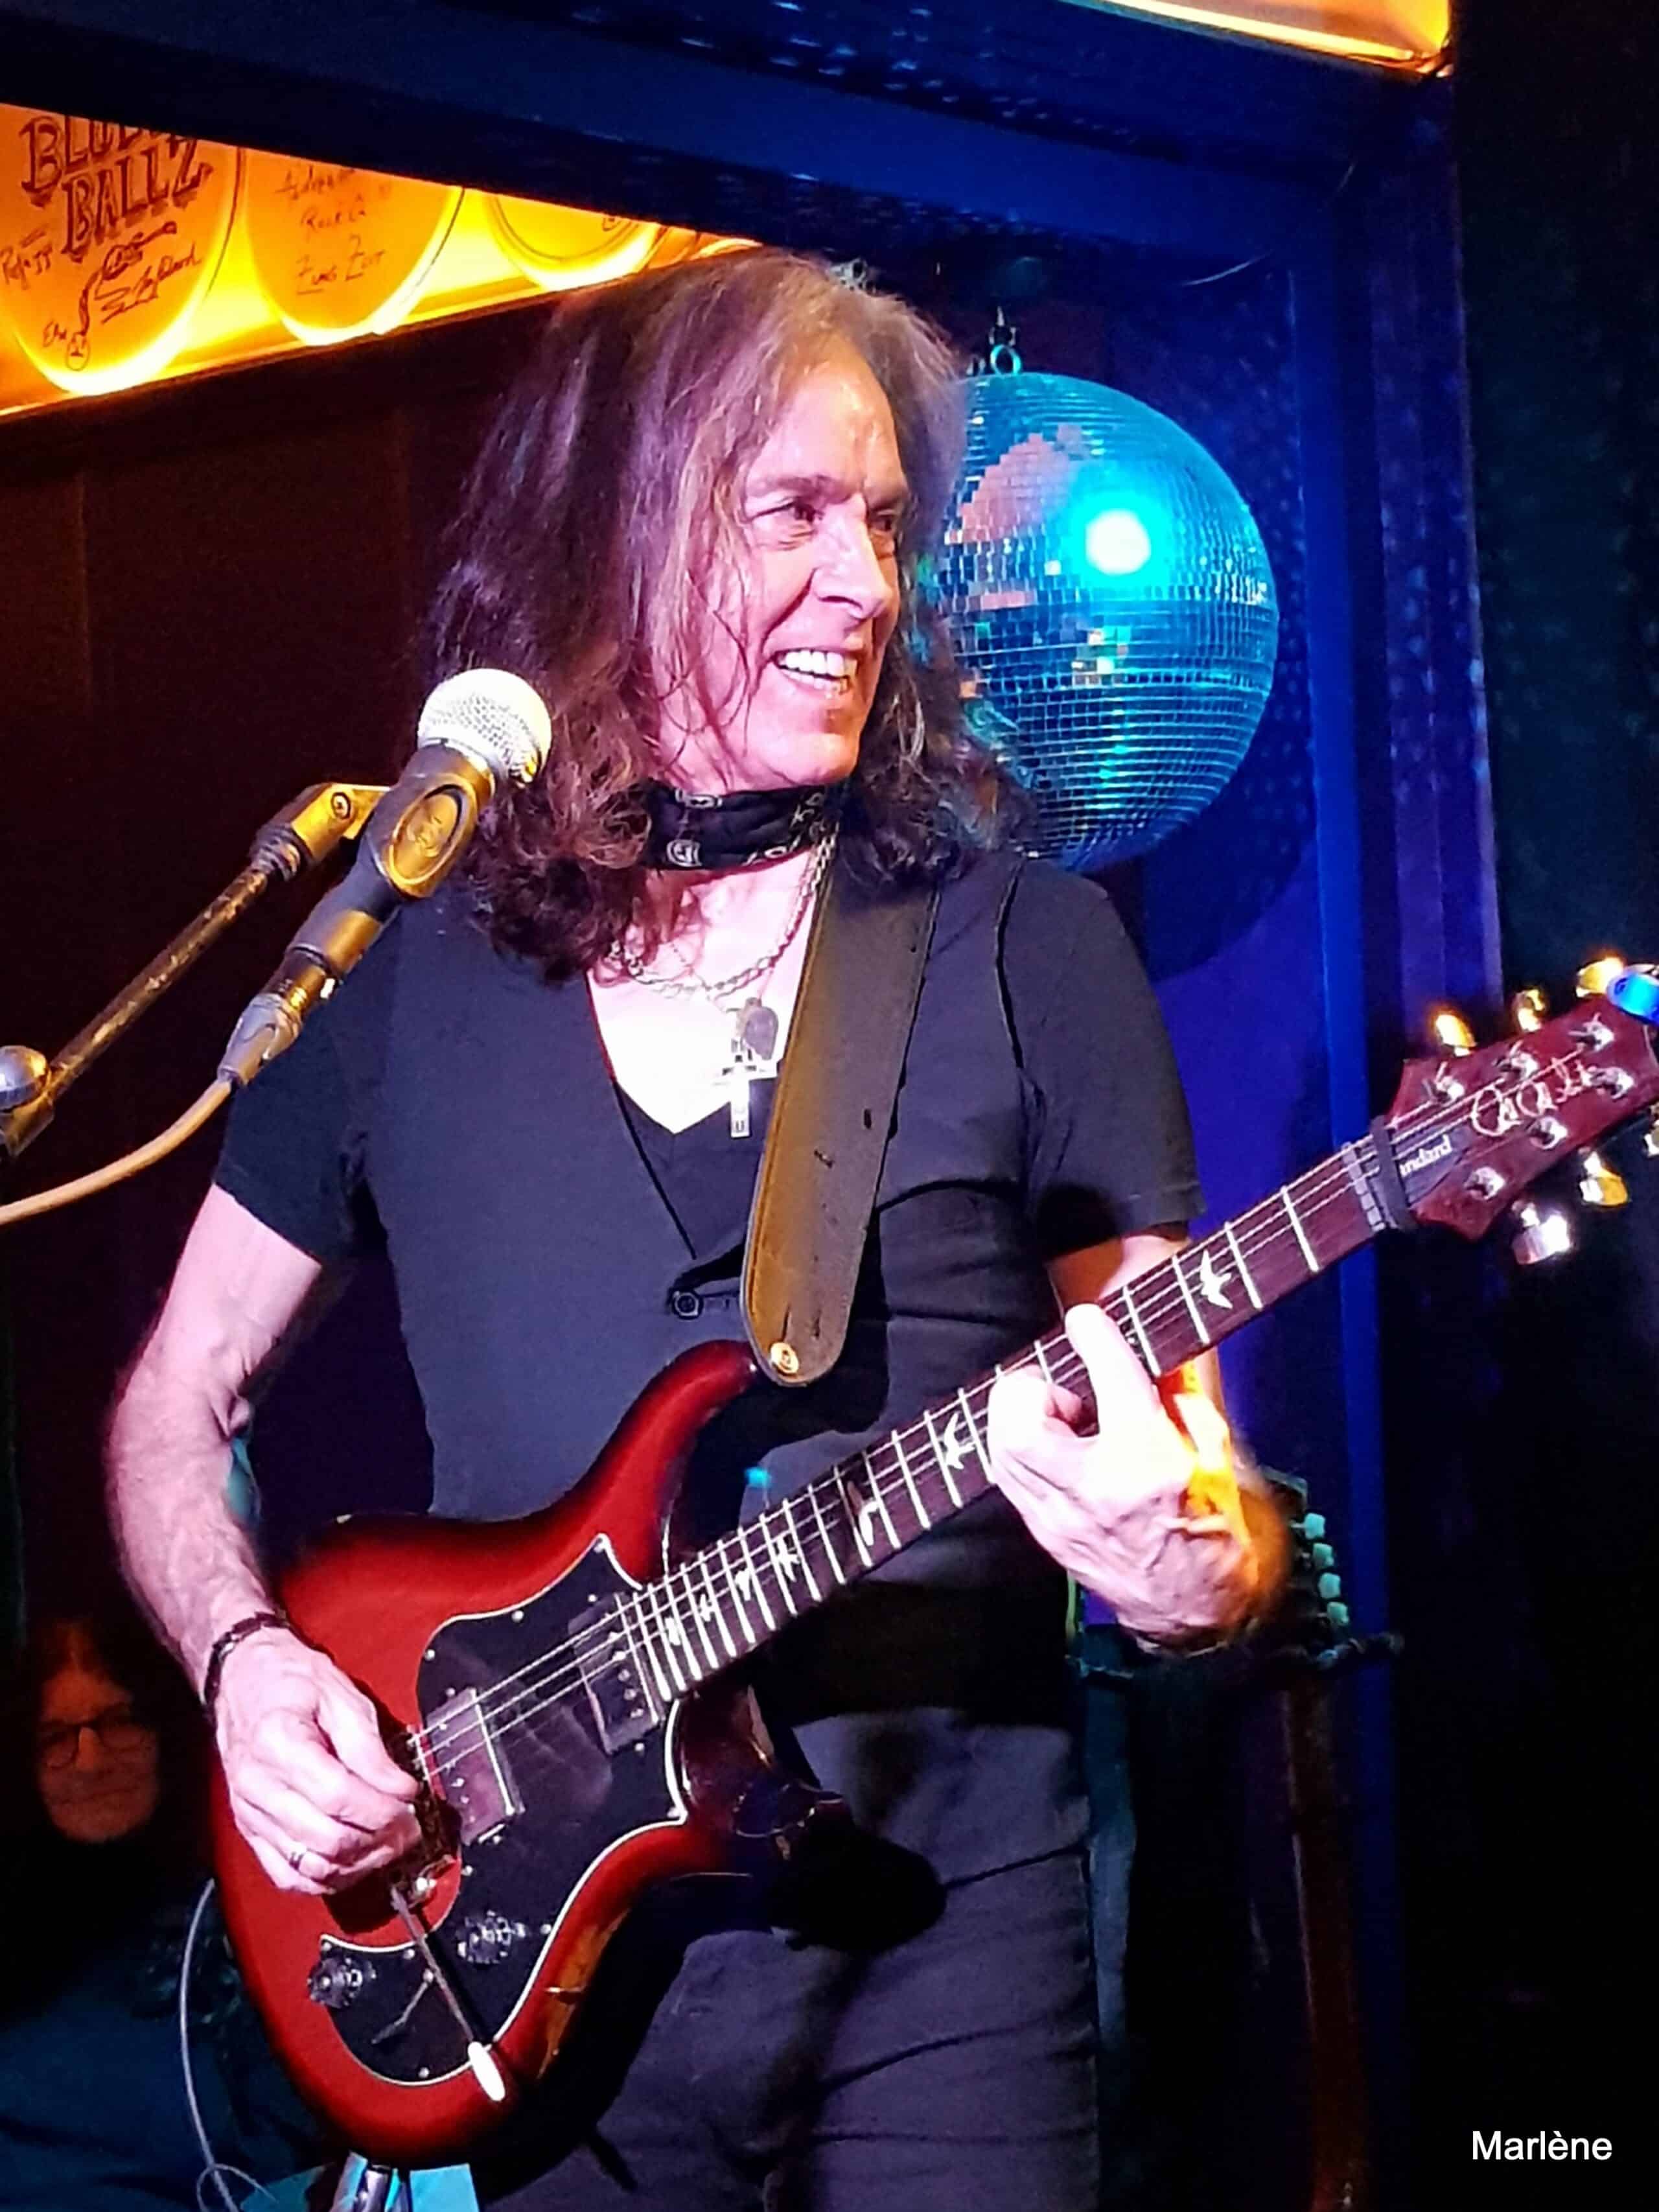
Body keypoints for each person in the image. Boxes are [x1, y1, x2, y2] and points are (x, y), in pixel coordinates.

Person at [106, 246, 1284, 2210]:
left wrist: (1181, 1569)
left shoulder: (1024, 948)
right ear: (618, 536)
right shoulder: (403, 970)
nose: (865, 583)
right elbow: (175, 1404)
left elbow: (1202, 1485)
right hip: (527, 1958)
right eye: (793, 515)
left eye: (883, 526)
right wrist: (241, 1667)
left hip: (942, 1942)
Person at [0, 1606, 326, 2208]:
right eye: (56, 1737)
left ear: (165, 1733)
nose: (91, 1759)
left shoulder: (252, 1907)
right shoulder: (14, 1955)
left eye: (118, 1720)